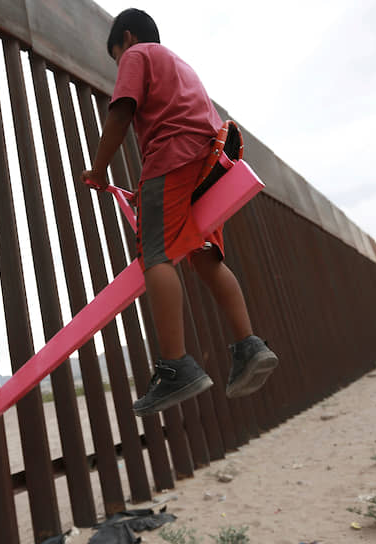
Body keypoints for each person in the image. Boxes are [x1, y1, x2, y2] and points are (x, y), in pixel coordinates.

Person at [80, 8, 279, 417]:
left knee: (155, 254)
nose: (120, 64)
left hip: (171, 156)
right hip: (209, 166)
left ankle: (176, 366)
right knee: (205, 257)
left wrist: (99, 170)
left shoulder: (138, 55)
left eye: (116, 55)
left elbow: (121, 111)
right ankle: (249, 346)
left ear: (127, 38)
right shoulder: (182, 65)